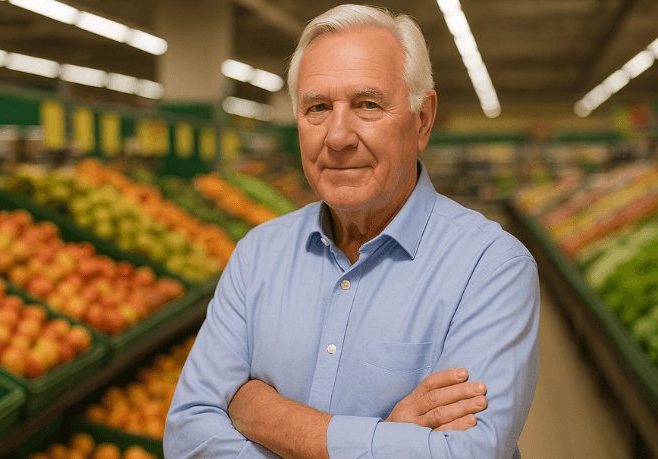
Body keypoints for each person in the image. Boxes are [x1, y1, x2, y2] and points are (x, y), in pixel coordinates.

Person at [164, 4, 539, 458]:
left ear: (422, 119)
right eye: (317, 107)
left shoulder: (491, 267)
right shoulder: (257, 254)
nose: (338, 137)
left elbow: (468, 454)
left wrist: (261, 413)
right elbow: (187, 437)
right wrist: (385, 437)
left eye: (367, 105)